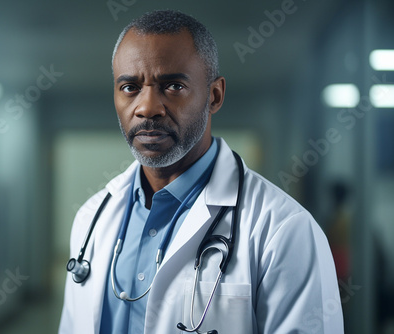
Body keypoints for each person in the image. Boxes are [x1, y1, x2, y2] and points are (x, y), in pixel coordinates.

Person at [59, 9, 343, 334]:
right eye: (129, 87)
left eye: (173, 86)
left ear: (215, 95)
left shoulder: (283, 230)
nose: (147, 107)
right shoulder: (91, 218)